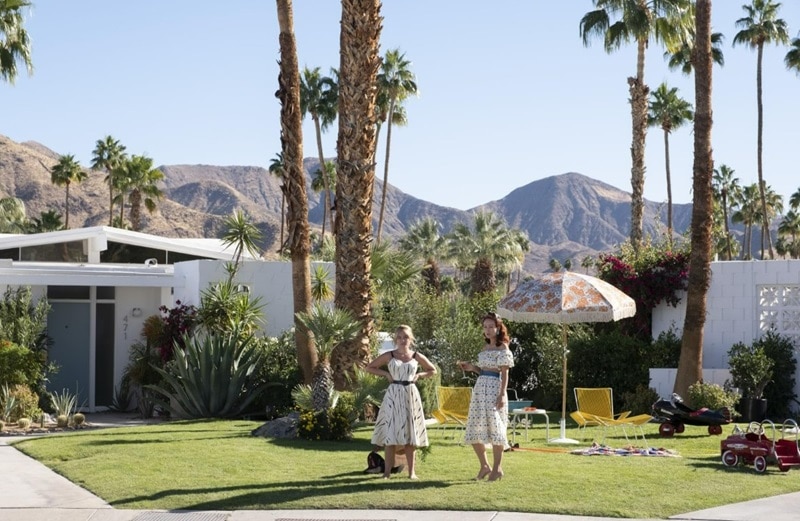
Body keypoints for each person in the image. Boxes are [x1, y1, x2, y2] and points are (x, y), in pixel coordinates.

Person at [365, 325, 437, 479]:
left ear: (410, 339)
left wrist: (420, 375)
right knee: (390, 435)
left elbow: (432, 370)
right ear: (395, 339)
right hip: (393, 395)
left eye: (405, 337)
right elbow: (370, 367)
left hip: (410, 394)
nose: (402, 340)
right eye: (399, 337)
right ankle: (386, 473)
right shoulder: (389, 355)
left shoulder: (416, 356)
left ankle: (412, 472)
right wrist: (385, 373)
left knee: (410, 436)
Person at [458, 312, 514, 481]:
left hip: (494, 389)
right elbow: (482, 370)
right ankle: (484, 465)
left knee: (496, 428)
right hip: (480, 388)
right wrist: (471, 367)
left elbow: (505, 374)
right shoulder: (484, 348)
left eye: (491, 327)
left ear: (498, 328)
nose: (488, 330)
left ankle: (497, 468)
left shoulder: (503, 348)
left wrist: (502, 394)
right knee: (474, 427)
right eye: (485, 327)